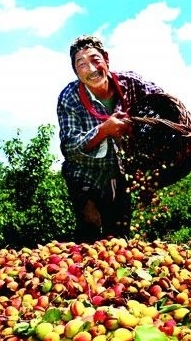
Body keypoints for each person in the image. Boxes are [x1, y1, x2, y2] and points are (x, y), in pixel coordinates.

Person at [57, 35, 164, 243]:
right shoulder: (69, 97)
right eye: (81, 64)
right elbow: (70, 147)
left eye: (95, 60)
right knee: (90, 229)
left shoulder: (131, 83)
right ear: (75, 71)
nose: (91, 69)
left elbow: (163, 103)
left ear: (106, 59)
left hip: (120, 173)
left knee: (118, 239)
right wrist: (104, 130)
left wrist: (141, 130)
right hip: (84, 172)